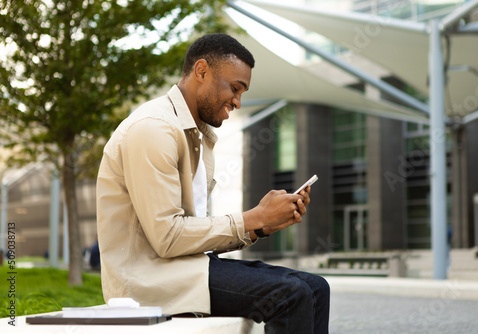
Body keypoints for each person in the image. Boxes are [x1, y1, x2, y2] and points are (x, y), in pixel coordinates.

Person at [96, 33, 330, 333]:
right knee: (291, 294)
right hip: (146, 284)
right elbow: (167, 237)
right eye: (235, 88)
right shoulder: (153, 130)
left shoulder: (196, 135)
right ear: (202, 71)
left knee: (316, 288)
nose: (238, 101)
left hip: (186, 269)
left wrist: (260, 226)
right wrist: (251, 218)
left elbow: (190, 234)